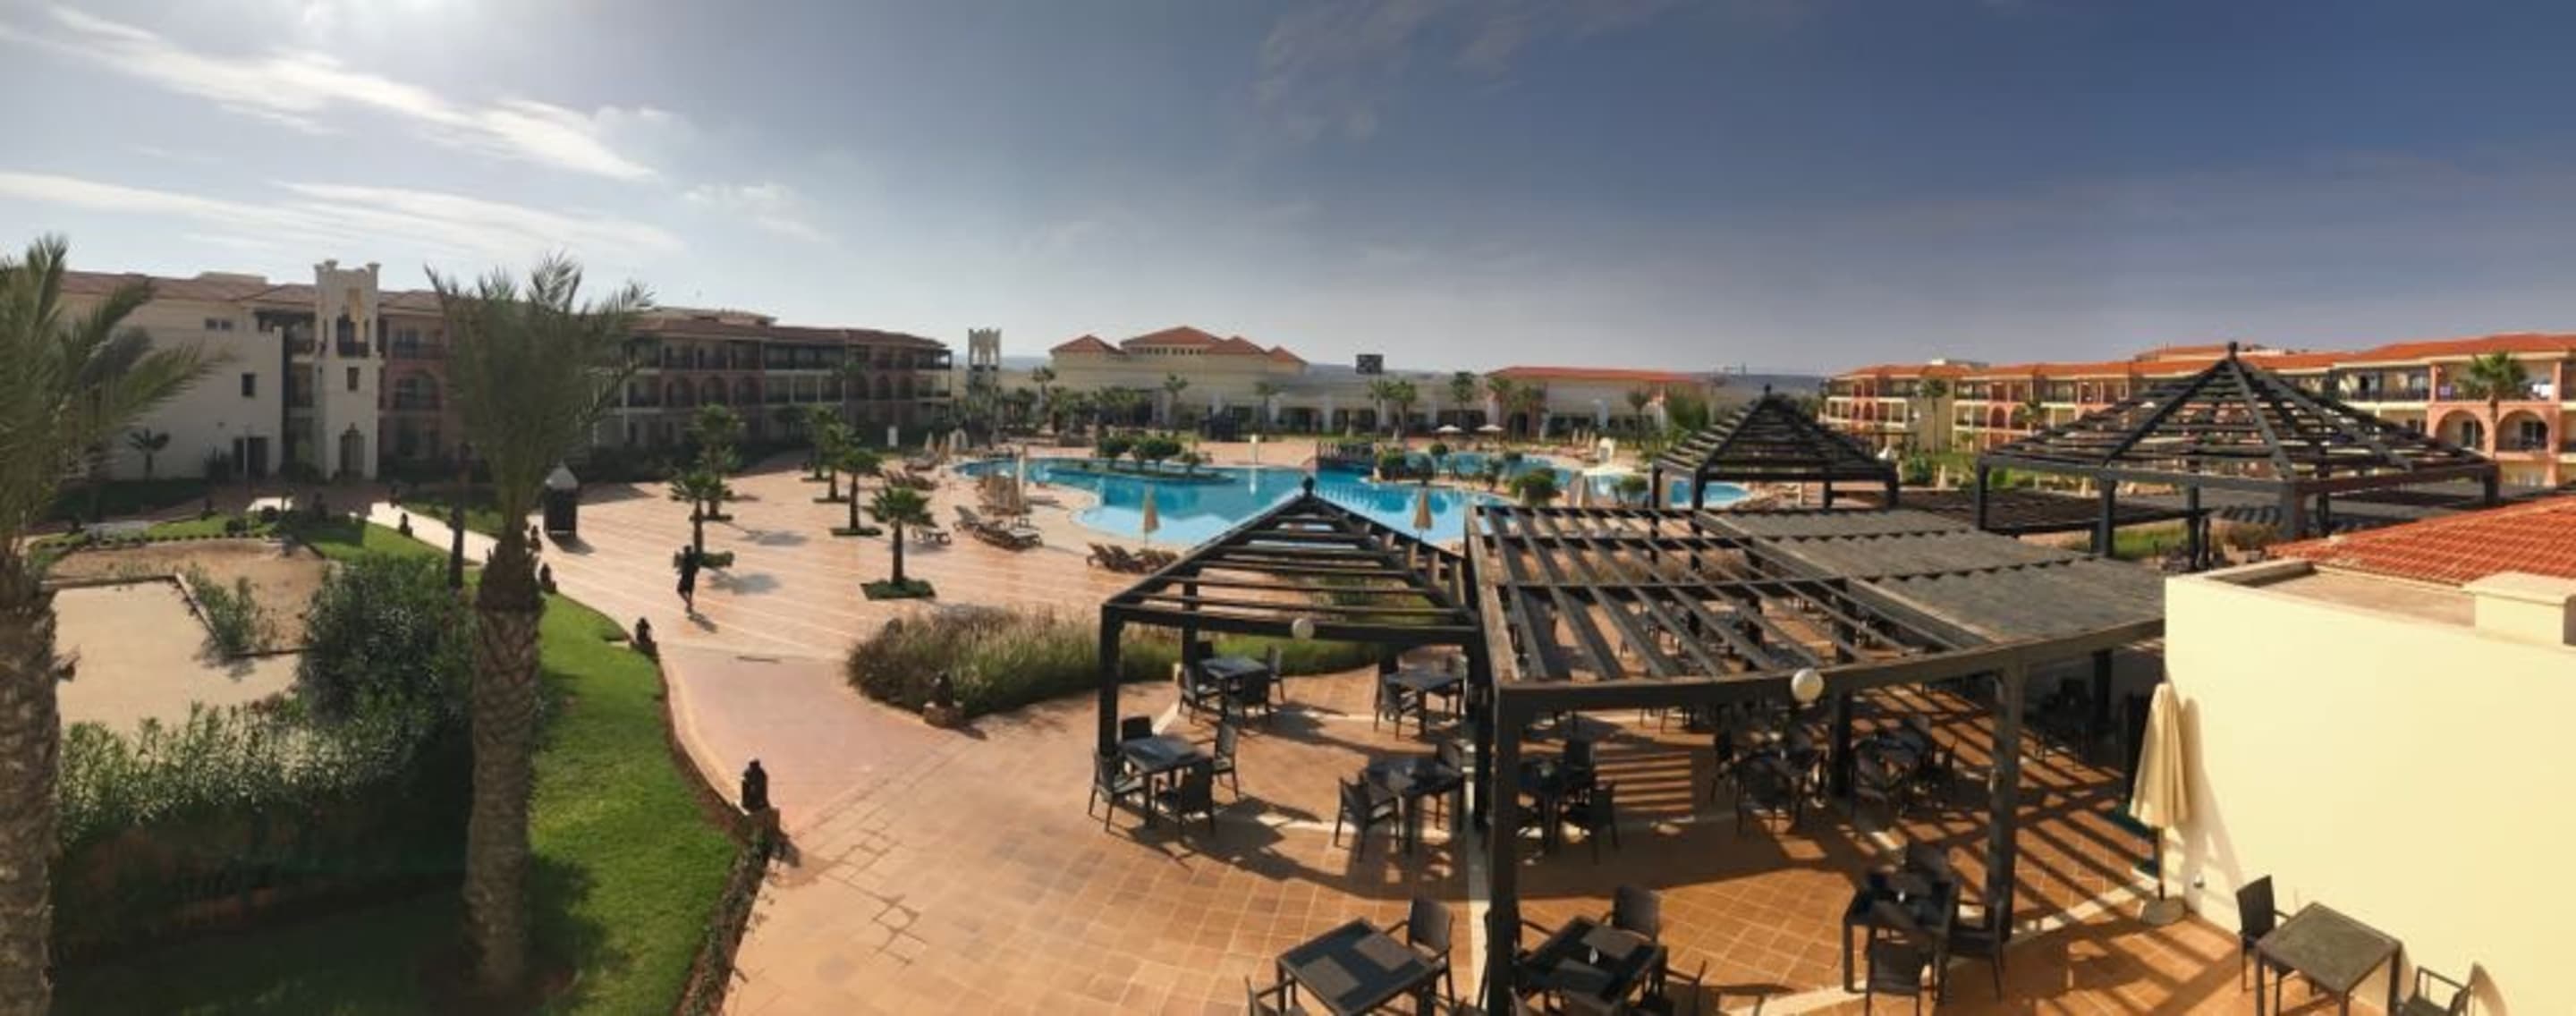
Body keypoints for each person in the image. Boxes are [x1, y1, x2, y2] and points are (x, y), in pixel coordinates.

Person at [676, 545, 701, 614]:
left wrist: (680, 571)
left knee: (679, 591)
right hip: (692, 579)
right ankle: (689, 607)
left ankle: (689, 603)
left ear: (686, 551)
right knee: (690, 593)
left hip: (685, 579)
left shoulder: (685, 559)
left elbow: (684, 569)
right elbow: (697, 570)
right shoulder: (694, 558)